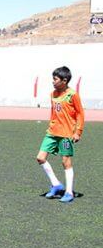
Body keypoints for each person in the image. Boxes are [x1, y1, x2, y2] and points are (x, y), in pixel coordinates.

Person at [36, 66, 85, 203]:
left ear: (64, 81)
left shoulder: (73, 95)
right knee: (40, 158)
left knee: (66, 161)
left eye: (55, 79)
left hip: (66, 134)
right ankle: (56, 184)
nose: (53, 81)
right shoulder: (53, 94)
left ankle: (69, 192)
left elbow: (80, 113)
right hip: (51, 133)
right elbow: (54, 112)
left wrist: (78, 132)